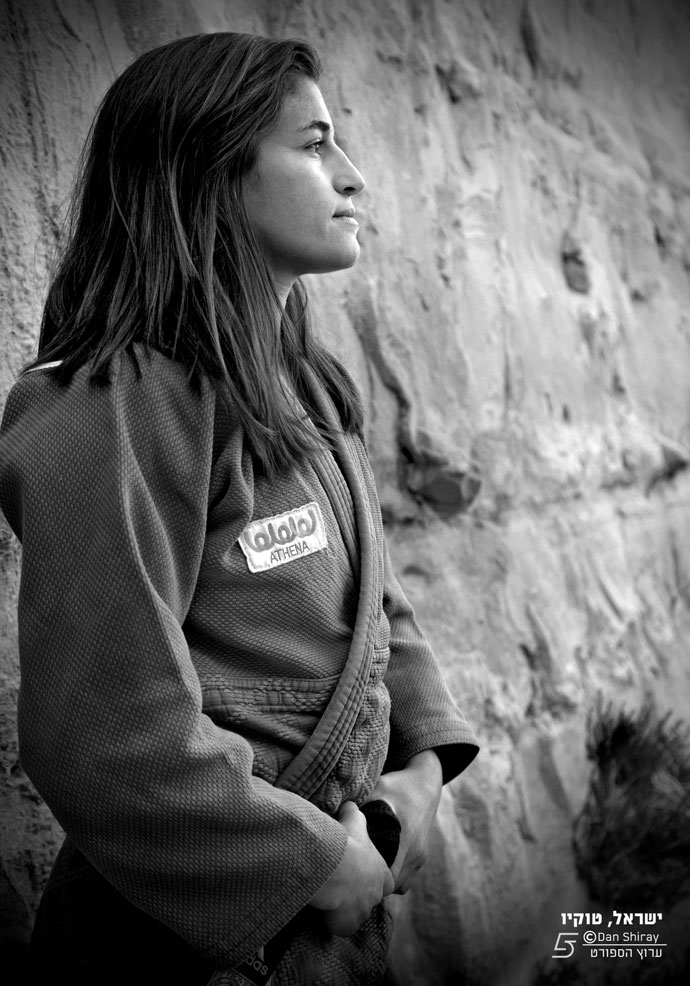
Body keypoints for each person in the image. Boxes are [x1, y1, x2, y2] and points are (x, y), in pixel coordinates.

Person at [0, 31, 478, 986]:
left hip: (339, 908)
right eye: (314, 144)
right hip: (191, 939)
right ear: (209, 173)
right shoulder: (118, 405)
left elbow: (377, 609)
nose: (353, 175)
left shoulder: (309, 390)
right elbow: (104, 727)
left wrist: (423, 769)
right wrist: (308, 862)